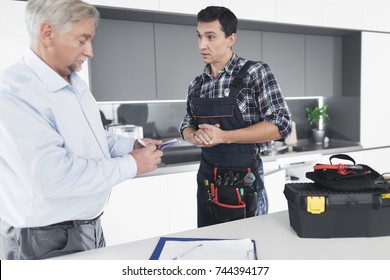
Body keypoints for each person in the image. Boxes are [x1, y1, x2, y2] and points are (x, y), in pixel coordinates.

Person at [0, 0, 163, 260]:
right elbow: (53, 177)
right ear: (47, 33)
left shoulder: (74, 84)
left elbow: (94, 139)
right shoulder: (14, 92)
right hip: (43, 239)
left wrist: (130, 147)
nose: (90, 52)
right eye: (82, 40)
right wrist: (132, 165)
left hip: (87, 229)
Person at [180, 6, 292, 227]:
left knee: (251, 243)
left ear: (231, 38)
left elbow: (282, 125)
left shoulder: (255, 73)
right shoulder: (197, 84)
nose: (202, 45)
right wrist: (193, 136)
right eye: (199, 36)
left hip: (244, 179)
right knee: (209, 244)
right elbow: (186, 124)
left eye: (211, 37)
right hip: (207, 177)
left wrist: (224, 136)